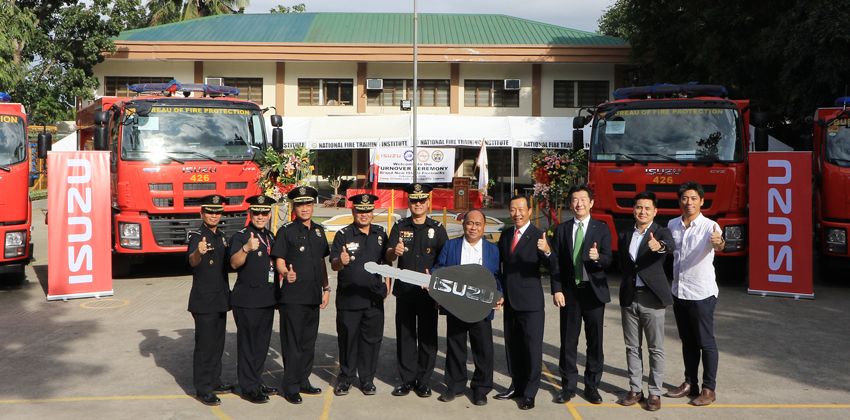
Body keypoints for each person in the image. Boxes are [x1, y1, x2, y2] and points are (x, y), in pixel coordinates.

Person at [550, 184, 612, 405]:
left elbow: (609, 259)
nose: (579, 203)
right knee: (568, 342)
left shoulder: (601, 228)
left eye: (583, 199)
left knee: (595, 342)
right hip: (570, 293)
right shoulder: (562, 229)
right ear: (570, 204)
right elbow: (555, 263)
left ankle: (592, 386)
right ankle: (568, 386)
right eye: (575, 199)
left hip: (594, 293)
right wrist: (557, 289)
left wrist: (598, 258)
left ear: (591, 203)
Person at [665, 181, 725, 406]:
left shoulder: (710, 226)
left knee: (705, 342)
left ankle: (709, 389)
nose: (688, 202)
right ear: (679, 201)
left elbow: (719, 244)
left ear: (701, 201)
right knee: (688, 341)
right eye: (685, 198)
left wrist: (719, 242)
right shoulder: (672, 224)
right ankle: (690, 383)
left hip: (702, 294)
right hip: (679, 292)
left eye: (693, 198)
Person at [434, 209, 502, 406]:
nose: (473, 227)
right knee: (456, 346)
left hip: (481, 306)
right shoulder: (451, 245)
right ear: (463, 225)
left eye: (478, 224)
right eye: (470, 223)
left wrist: (499, 294)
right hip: (456, 304)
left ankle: (481, 389)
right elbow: (439, 268)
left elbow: (497, 276)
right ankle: (454, 386)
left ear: (484, 227)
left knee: (483, 349)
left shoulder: (492, 250)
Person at [386, 183, 448, 398]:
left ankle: (423, 381)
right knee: (406, 336)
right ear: (409, 203)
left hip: (428, 292)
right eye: (414, 200)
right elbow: (388, 255)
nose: (418, 204)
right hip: (405, 291)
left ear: (428, 202)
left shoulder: (437, 229)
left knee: (428, 337)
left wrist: (437, 282)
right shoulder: (399, 226)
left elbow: (445, 260)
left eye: (422, 200)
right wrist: (394, 251)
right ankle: (406, 380)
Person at [271, 186, 331, 404]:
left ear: (313, 205)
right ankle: (290, 386)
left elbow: (321, 262)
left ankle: (303, 380)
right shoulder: (286, 231)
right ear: (294, 207)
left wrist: (326, 288)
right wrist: (285, 273)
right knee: (293, 344)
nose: (304, 208)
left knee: (308, 343)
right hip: (293, 298)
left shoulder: (319, 231)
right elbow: (278, 259)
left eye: (308, 204)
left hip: (313, 296)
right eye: (300, 205)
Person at [616, 192, 675, 412]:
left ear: (655, 211)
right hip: (629, 296)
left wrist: (659, 246)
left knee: (655, 348)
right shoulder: (625, 234)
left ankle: (655, 392)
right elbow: (624, 264)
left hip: (652, 298)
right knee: (632, 347)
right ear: (633, 210)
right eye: (639, 207)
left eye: (647, 208)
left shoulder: (661, 232)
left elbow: (669, 245)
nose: (643, 212)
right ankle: (635, 389)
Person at [330, 193, 390, 396]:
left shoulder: (381, 234)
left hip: (373, 299)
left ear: (372, 212)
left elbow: (387, 262)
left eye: (367, 211)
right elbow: (334, 264)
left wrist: (387, 286)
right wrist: (341, 261)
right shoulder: (343, 234)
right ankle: (345, 378)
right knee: (348, 340)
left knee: (371, 341)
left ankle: (367, 380)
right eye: (359, 211)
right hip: (349, 299)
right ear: (353, 211)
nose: (364, 214)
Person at [494, 195, 549, 410]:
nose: (517, 214)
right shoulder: (506, 234)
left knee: (532, 348)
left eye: (521, 209)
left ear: (529, 211)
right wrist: (499, 292)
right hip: (510, 300)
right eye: (513, 209)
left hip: (531, 302)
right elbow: (500, 267)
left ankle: (529, 392)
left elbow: (554, 266)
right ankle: (516, 385)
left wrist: (547, 251)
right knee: (513, 346)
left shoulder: (538, 235)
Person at [229, 195, 280, 404]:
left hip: (267, 299)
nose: (260, 216)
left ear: (269, 214)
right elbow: (234, 263)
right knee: (248, 345)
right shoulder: (241, 236)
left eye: (264, 213)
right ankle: (248, 387)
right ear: (250, 213)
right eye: (257, 212)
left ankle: (257, 381)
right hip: (247, 300)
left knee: (261, 345)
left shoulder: (270, 236)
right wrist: (246, 249)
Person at [186, 194, 233, 406]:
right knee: (205, 346)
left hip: (220, 298)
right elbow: (192, 261)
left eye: (217, 212)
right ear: (202, 213)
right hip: (204, 301)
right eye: (210, 212)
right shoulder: (197, 236)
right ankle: (203, 388)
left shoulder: (222, 236)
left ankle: (215, 380)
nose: (214, 215)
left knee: (217, 344)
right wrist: (199, 252)